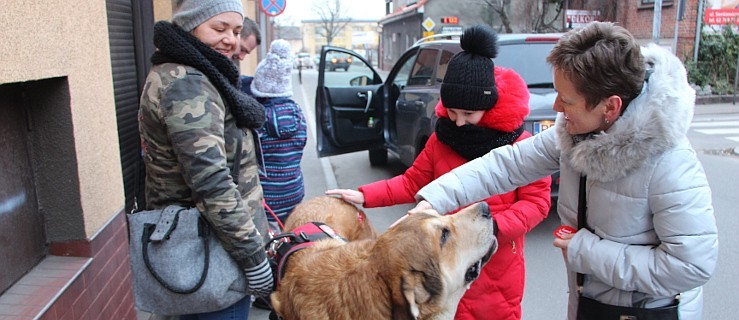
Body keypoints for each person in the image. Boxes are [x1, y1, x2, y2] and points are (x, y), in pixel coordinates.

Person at [411, 22, 719, 320]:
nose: (556, 106)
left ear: (609, 107)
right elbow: (507, 164)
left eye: (567, 99)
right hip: (589, 303)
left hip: (643, 313)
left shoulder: (671, 164)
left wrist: (587, 251)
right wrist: (435, 198)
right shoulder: (576, 133)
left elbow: (691, 266)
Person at [327, 25, 552, 320]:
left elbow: (537, 203)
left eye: (468, 115)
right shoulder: (442, 138)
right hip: (446, 267)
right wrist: (365, 194)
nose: (458, 123)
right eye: (453, 113)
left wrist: (491, 228)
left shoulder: (520, 146)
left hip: (496, 266)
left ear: (489, 105)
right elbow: (413, 182)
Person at [138, 0, 273, 318]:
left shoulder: (198, 73)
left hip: (212, 243)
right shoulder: (189, 84)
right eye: (219, 28)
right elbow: (211, 182)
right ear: (189, 25)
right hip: (210, 251)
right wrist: (253, 256)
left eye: (237, 30)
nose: (231, 40)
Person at [246, 39, 308, 232]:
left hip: (267, 196)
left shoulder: (256, 119)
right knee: (288, 234)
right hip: (294, 189)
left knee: (268, 238)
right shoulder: (298, 114)